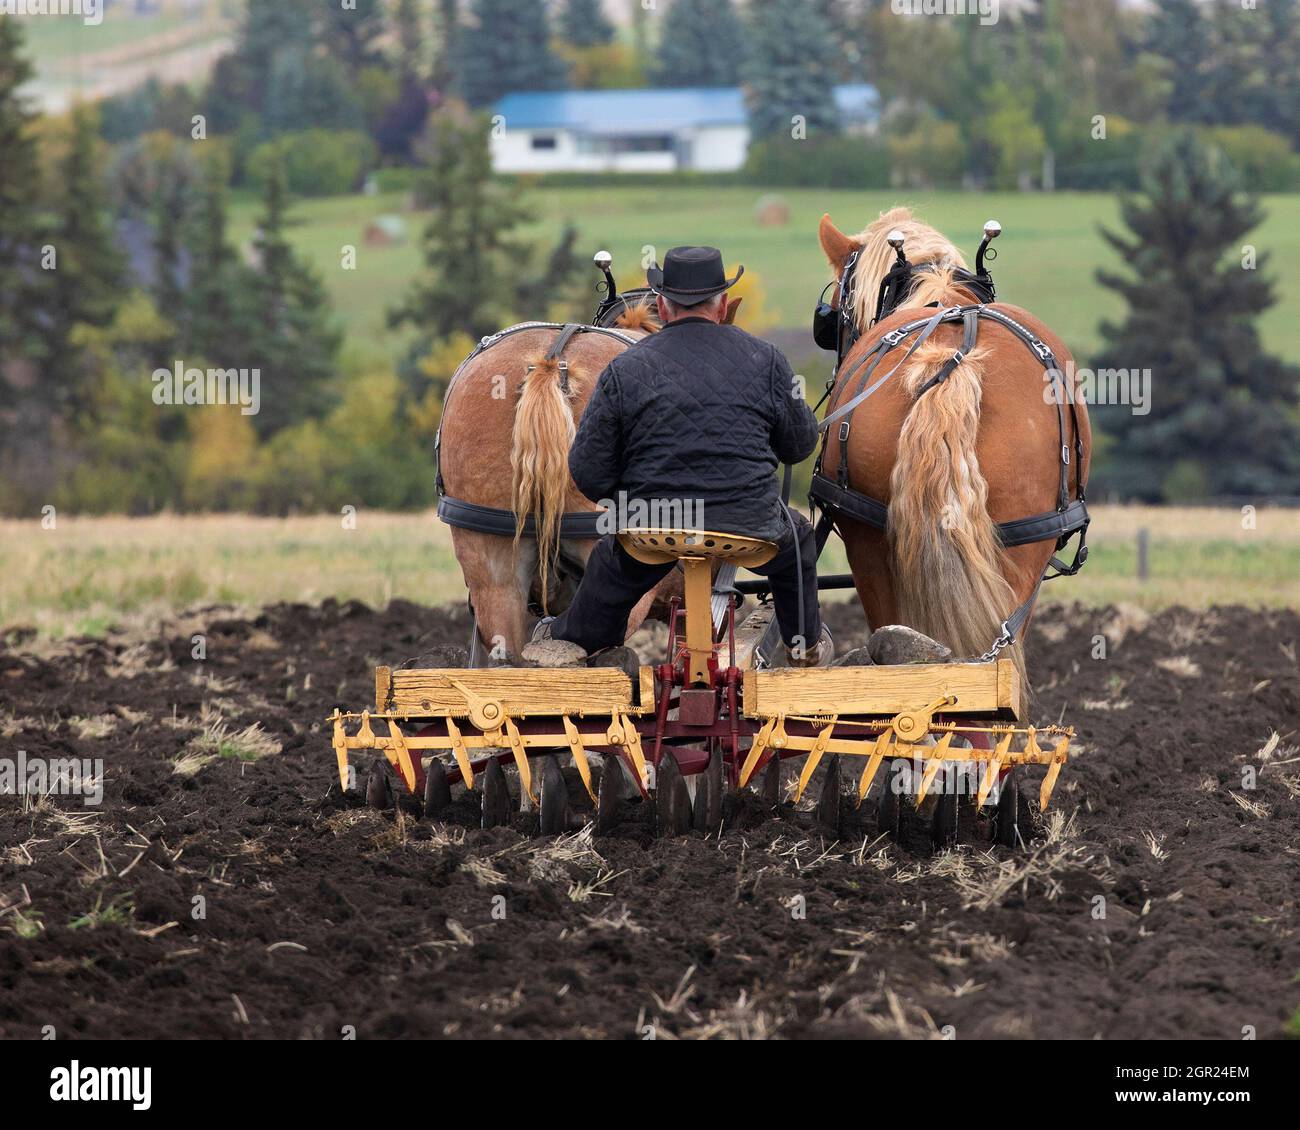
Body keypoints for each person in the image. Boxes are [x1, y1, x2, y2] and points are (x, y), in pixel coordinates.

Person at [529, 246, 830, 667]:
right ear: (723, 305)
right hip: (750, 527)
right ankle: (805, 645)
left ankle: (576, 641)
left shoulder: (624, 368)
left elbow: (588, 471)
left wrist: (627, 496)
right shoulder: (769, 360)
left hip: (654, 525)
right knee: (796, 541)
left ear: (664, 308)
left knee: (613, 565)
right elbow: (799, 446)